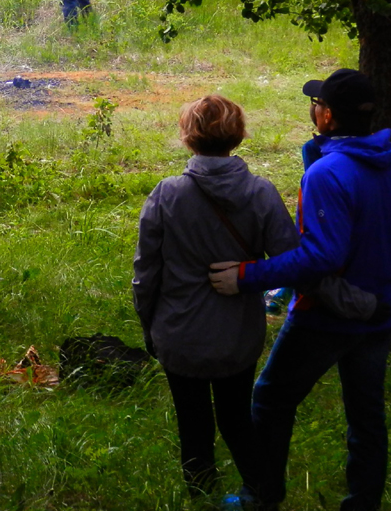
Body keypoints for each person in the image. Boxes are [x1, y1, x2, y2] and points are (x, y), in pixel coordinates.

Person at [210, 69, 391, 511]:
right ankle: (363, 501)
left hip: (327, 313)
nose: (312, 109)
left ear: (328, 116)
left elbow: (321, 257)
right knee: (366, 414)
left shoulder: (330, 173)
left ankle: (261, 496)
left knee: (272, 397)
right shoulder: (390, 160)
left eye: (316, 104)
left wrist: (245, 276)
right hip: (380, 313)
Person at [133, 95, 299, 500]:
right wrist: (252, 278)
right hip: (237, 335)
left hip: (178, 332)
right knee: (237, 419)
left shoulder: (166, 194)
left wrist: (149, 325)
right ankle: (263, 493)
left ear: (188, 138)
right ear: (239, 136)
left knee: (193, 425)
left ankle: (202, 497)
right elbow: (292, 261)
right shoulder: (261, 193)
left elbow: (145, 273)